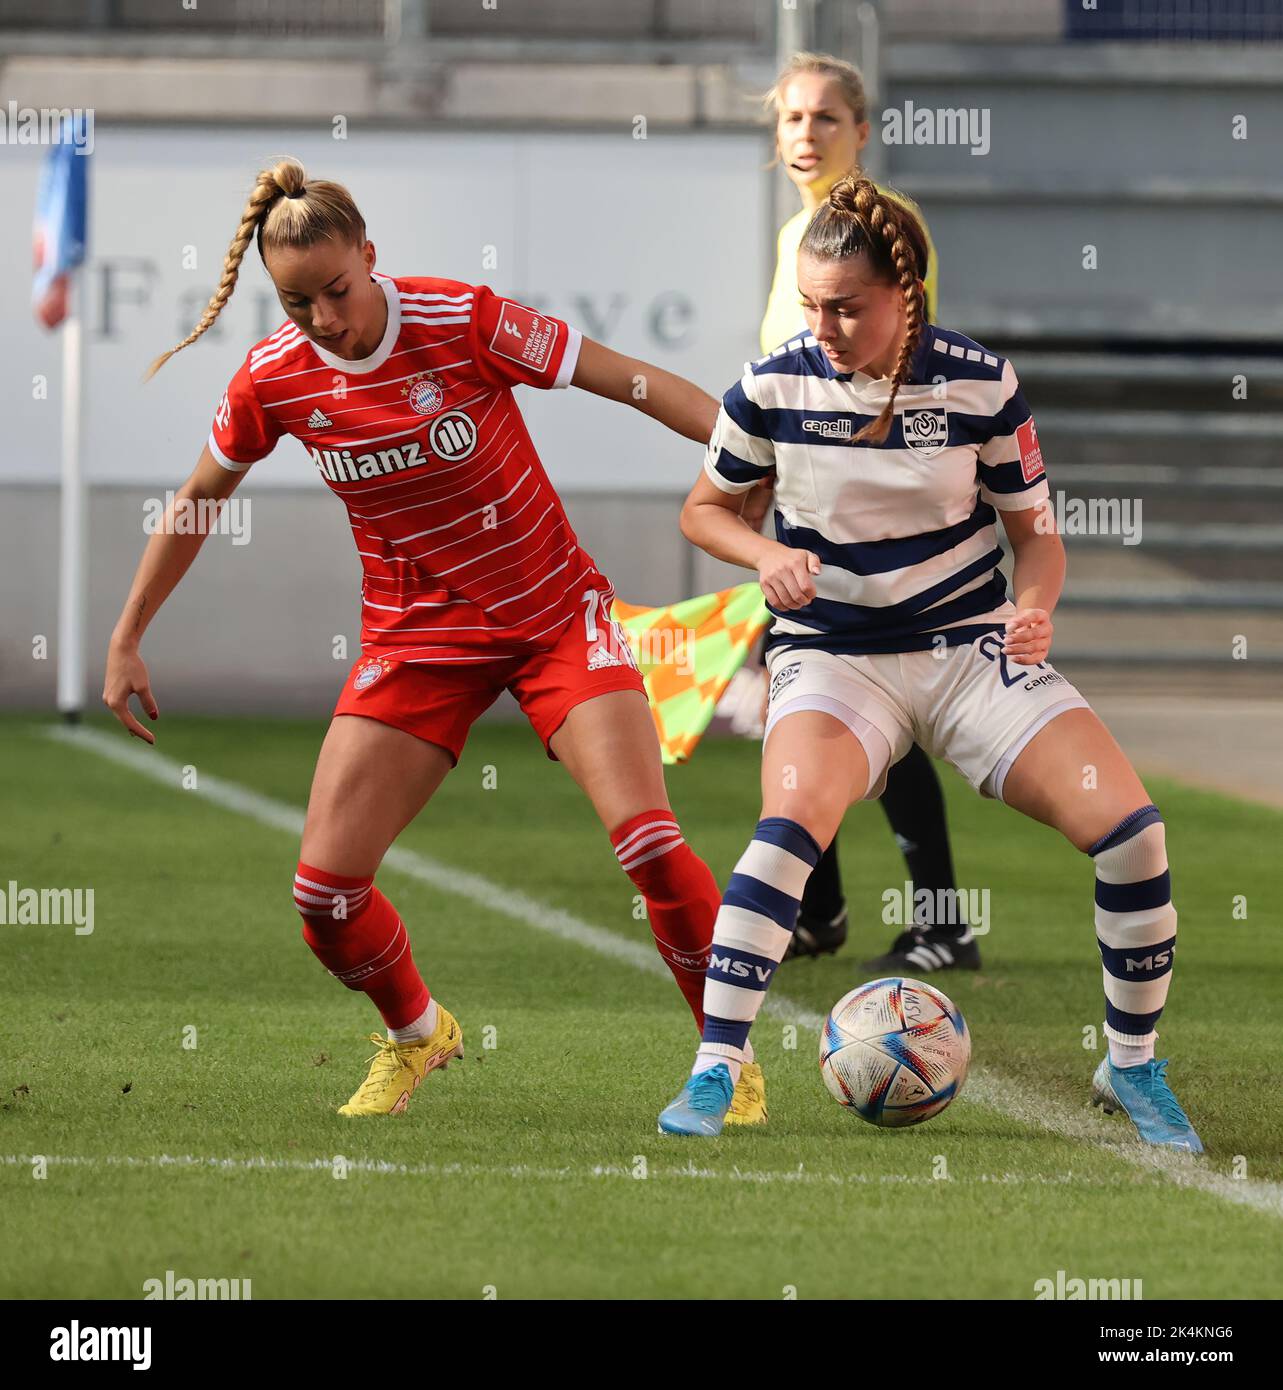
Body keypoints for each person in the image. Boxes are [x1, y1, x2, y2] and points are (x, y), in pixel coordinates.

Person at [103, 156, 772, 1122]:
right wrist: (128, 634)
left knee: (650, 844)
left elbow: (623, 378)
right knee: (323, 899)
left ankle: (727, 1062)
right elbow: (201, 500)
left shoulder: (462, 318)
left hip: (553, 619)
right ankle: (419, 1035)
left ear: (370, 256)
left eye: (336, 290)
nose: (324, 318)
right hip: (416, 643)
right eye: (297, 303)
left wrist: (744, 459)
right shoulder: (274, 380)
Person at [657, 173, 1201, 1153]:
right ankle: (715, 1065)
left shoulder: (978, 381)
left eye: (846, 307)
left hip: (968, 654)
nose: (822, 324)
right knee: (786, 830)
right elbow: (703, 509)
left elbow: (1036, 537)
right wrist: (764, 553)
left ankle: (1128, 1062)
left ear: (900, 298)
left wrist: (1032, 610)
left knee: (1132, 834)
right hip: (832, 658)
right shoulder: (770, 386)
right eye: (812, 302)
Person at [755, 51, 970, 973]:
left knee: (869, 715)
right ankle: (824, 911)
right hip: (805, 510)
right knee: (799, 699)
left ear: (861, 131)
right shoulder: (794, 236)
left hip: (874, 510)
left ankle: (943, 921)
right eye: (792, 118)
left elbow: (907, 367)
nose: (805, 134)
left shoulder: (889, 227)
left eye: (824, 119)